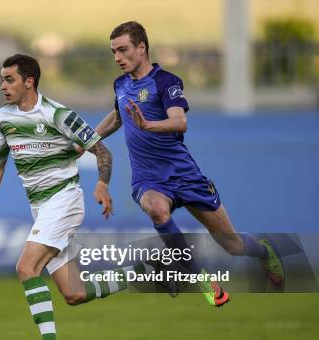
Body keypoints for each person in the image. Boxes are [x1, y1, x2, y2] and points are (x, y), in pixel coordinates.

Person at [0, 54, 146, 340]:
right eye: (2, 79)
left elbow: (101, 149)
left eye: (9, 79)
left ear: (29, 81)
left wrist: (102, 184)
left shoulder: (57, 114)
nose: (2, 86)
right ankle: (143, 273)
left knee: (26, 267)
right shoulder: (2, 118)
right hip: (41, 208)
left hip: (63, 201)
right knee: (74, 293)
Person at [93, 21, 284, 306]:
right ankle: (201, 278)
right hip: (149, 179)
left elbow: (180, 122)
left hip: (185, 176)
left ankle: (264, 251)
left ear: (141, 48)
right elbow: (119, 116)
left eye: (123, 50)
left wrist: (148, 125)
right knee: (157, 210)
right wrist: (87, 139)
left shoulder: (166, 82)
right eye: (113, 52)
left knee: (232, 245)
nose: (118, 58)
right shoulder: (120, 85)